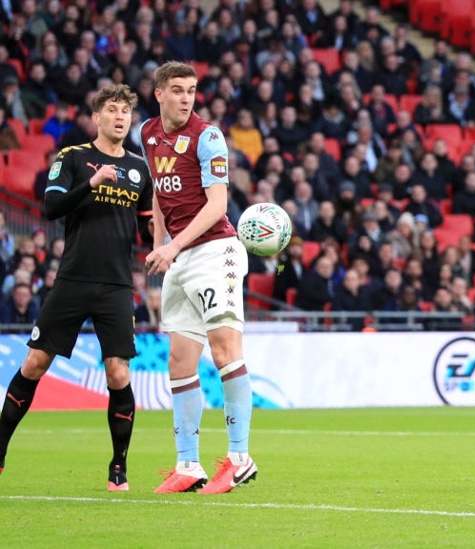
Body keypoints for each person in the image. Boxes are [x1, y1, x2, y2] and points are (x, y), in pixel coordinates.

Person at [0, 84, 152, 491]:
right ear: (97, 116)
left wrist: (165, 236)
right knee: (34, 364)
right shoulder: (73, 158)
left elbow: (146, 226)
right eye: (113, 110)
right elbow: (50, 209)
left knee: (118, 373)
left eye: (126, 112)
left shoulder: (140, 169)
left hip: (117, 285)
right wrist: (92, 183)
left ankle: (118, 468)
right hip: (72, 279)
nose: (121, 117)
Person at [141, 62, 257, 494]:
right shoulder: (149, 133)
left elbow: (217, 206)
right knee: (179, 361)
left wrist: (173, 244)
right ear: (159, 93)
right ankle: (188, 464)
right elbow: (158, 189)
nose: (186, 98)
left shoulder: (208, 137)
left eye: (191, 90)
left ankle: (240, 456)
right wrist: (160, 244)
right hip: (179, 256)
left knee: (225, 349)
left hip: (214, 250)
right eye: (177, 90)